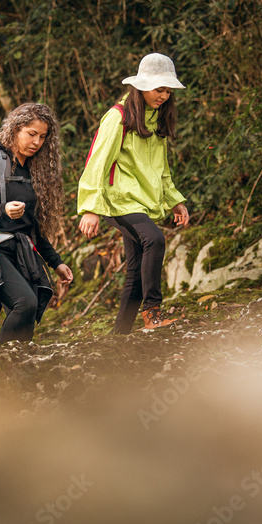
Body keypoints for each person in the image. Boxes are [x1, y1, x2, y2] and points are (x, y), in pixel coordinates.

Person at [77, 53, 190, 333]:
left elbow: (161, 168)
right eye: (158, 89)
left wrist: (174, 201)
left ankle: (120, 336)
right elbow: (97, 161)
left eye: (167, 90)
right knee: (155, 238)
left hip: (142, 201)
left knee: (136, 272)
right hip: (119, 201)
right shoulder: (119, 117)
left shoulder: (156, 119)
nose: (163, 95)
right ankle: (152, 312)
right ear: (141, 87)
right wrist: (90, 207)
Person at [0, 102, 74, 343]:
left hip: (20, 248)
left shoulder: (33, 170)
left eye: (43, 137)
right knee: (24, 303)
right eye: (31, 134)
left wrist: (56, 262)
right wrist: (3, 209)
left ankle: (18, 372)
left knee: (30, 307)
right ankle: (1, 370)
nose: (37, 142)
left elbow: (33, 227)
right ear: (15, 129)